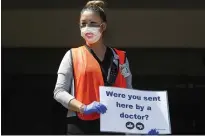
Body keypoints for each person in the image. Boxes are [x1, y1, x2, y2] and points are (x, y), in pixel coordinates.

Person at [53, 0, 133, 134]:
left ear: (103, 27)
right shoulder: (72, 55)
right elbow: (59, 92)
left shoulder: (121, 58)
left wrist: (141, 125)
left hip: (115, 124)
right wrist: (83, 107)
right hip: (81, 125)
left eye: (93, 24)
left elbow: (130, 92)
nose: (87, 28)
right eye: (83, 24)